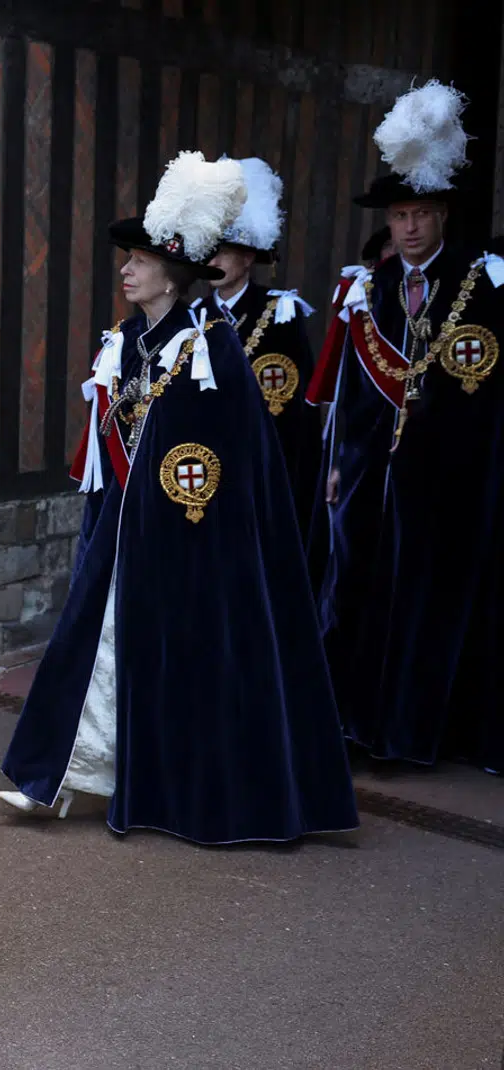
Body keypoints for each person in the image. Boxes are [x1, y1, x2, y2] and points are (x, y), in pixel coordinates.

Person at [0, 150, 359, 843]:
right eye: (127, 260)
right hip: (130, 531)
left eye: (137, 260)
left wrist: (190, 528)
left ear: (170, 272)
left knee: (184, 661)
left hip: (196, 538)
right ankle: (65, 776)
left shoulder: (213, 346)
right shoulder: (129, 341)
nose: (126, 271)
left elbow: (225, 457)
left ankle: (178, 791)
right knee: (95, 645)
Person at [305, 82, 503, 773]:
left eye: (420, 213)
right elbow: (356, 388)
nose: (409, 227)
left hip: (446, 475)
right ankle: (353, 723)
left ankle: (414, 732)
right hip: (367, 472)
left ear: (441, 214)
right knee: (354, 591)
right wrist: (337, 464)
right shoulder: (374, 289)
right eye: (398, 215)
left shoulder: (480, 286)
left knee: (429, 602)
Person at [193, 157, 319, 532]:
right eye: (209, 250)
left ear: (248, 257)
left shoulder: (280, 311)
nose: (213, 260)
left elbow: (299, 406)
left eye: (224, 251)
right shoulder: (195, 317)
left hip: (264, 465)